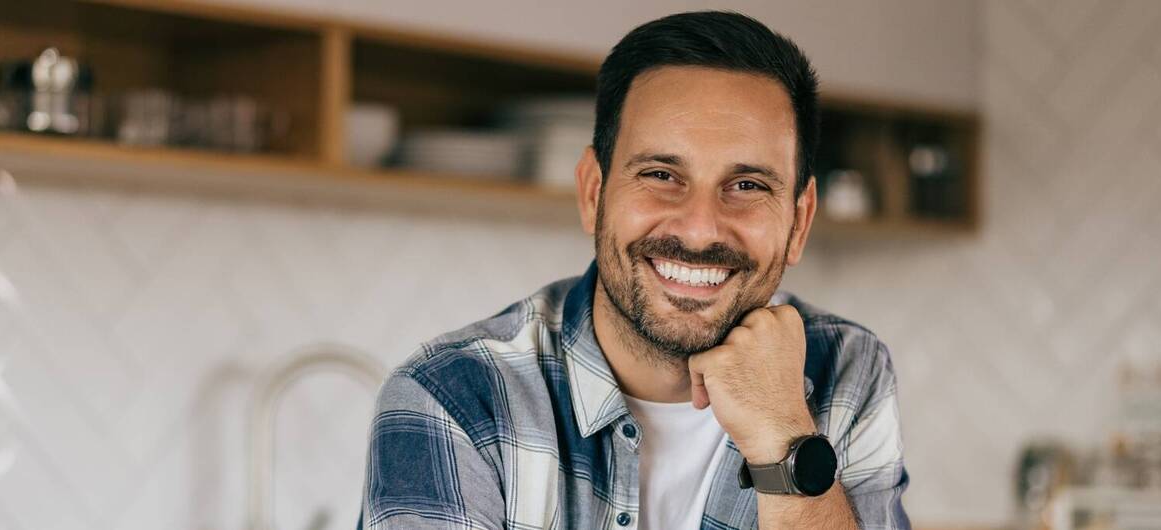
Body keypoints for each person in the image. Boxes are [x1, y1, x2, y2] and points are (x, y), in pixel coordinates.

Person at [357, 11, 908, 530]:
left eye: (747, 186)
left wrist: (784, 436)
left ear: (800, 221)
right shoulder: (452, 398)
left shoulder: (848, 370)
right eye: (662, 174)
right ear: (594, 193)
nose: (699, 229)